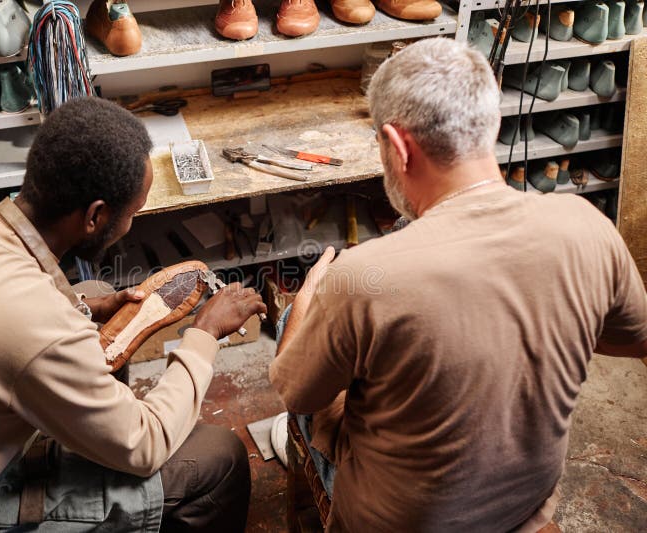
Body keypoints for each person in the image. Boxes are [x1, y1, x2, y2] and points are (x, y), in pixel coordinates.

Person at [270, 37, 647, 532]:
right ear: (490, 125)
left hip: (394, 523)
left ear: (398, 146)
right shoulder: (587, 224)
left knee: (289, 328)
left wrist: (315, 292)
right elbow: (634, 337)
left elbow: (297, 394)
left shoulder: (359, 276)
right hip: (525, 505)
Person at [0, 97, 266, 532]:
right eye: (133, 214)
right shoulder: (36, 327)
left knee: (95, 292)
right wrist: (203, 333)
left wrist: (83, 308)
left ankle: (94, 425)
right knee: (219, 458)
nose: (130, 226)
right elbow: (147, 445)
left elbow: (5, 314)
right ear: (95, 216)